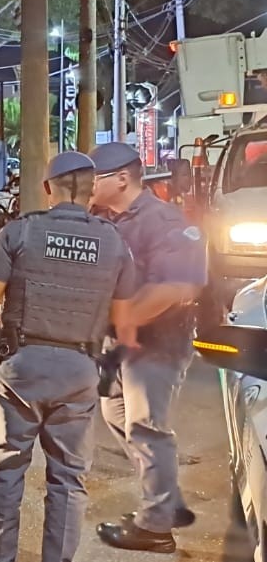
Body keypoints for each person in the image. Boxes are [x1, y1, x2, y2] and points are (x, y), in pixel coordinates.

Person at [0, 151, 139, 562]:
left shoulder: (19, 232)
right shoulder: (114, 240)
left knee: (4, 472)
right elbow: (124, 320)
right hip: (80, 370)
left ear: (48, 188)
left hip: (21, 369)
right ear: (92, 189)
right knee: (68, 480)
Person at [89, 142, 207, 553]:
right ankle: (167, 501)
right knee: (116, 412)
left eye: (94, 178)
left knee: (146, 428)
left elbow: (175, 288)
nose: (87, 186)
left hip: (158, 341)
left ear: (122, 179)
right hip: (121, 342)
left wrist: (123, 322)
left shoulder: (164, 221)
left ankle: (156, 528)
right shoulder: (104, 218)